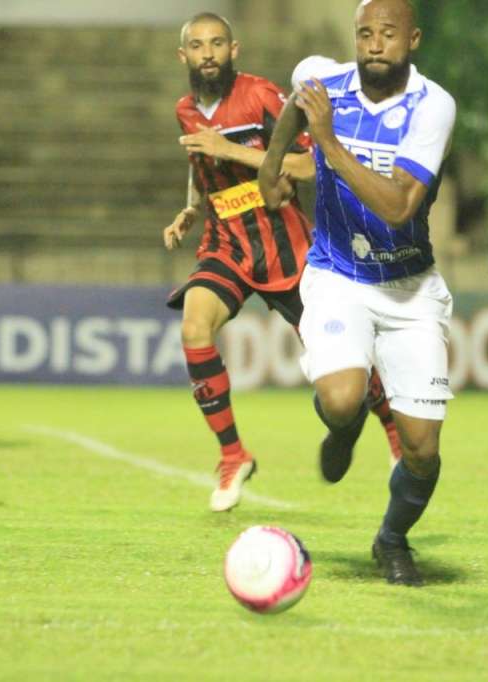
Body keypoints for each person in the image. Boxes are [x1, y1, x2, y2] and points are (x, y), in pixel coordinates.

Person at [165, 12, 404, 512]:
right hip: (225, 243)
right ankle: (233, 455)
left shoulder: (263, 97)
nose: (207, 53)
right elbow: (202, 165)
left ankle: (394, 432)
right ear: (183, 55)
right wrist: (190, 208)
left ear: (235, 50)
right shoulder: (185, 109)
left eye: (216, 43)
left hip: (288, 249)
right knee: (194, 327)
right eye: (197, 45)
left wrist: (227, 147)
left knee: (343, 366)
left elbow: (307, 164)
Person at [260, 0, 456, 585]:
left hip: (409, 289)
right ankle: (343, 428)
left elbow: (398, 208)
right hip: (338, 274)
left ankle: (392, 540)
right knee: (344, 399)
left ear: (412, 40)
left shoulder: (432, 106)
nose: (374, 44)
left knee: (421, 448)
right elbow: (295, 106)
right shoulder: (323, 80)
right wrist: (272, 166)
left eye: (388, 34)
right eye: (365, 33)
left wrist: (329, 144)